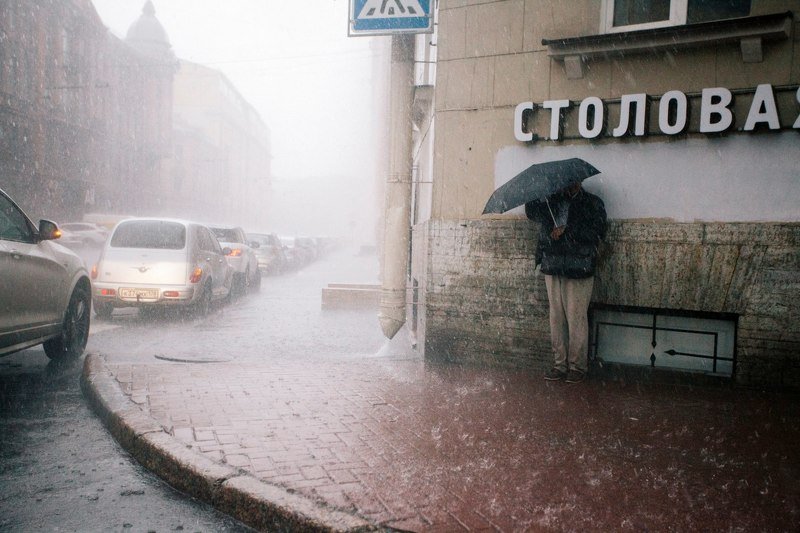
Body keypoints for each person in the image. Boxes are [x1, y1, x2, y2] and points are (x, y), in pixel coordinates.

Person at [525, 181, 607, 383]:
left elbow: (597, 232)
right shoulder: (552, 202)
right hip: (553, 263)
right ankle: (559, 365)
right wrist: (538, 193)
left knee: (576, 317)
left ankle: (577, 366)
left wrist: (567, 231)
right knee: (556, 318)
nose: (568, 184)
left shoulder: (592, 203)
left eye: (572, 180)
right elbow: (533, 214)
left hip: (579, 266)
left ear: (580, 181)